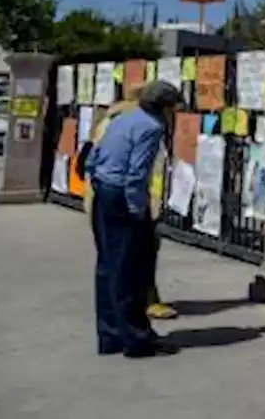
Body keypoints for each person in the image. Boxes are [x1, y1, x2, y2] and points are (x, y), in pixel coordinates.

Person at [84, 80, 183, 357]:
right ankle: (137, 338)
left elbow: (93, 156)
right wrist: (137, 211)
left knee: (107, 266)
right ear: (164, 107)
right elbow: (136, 174)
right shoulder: (152, 128)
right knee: (130, 269)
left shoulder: (122, 118)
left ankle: (110, 335)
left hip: (103, 190)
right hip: (122, 198)